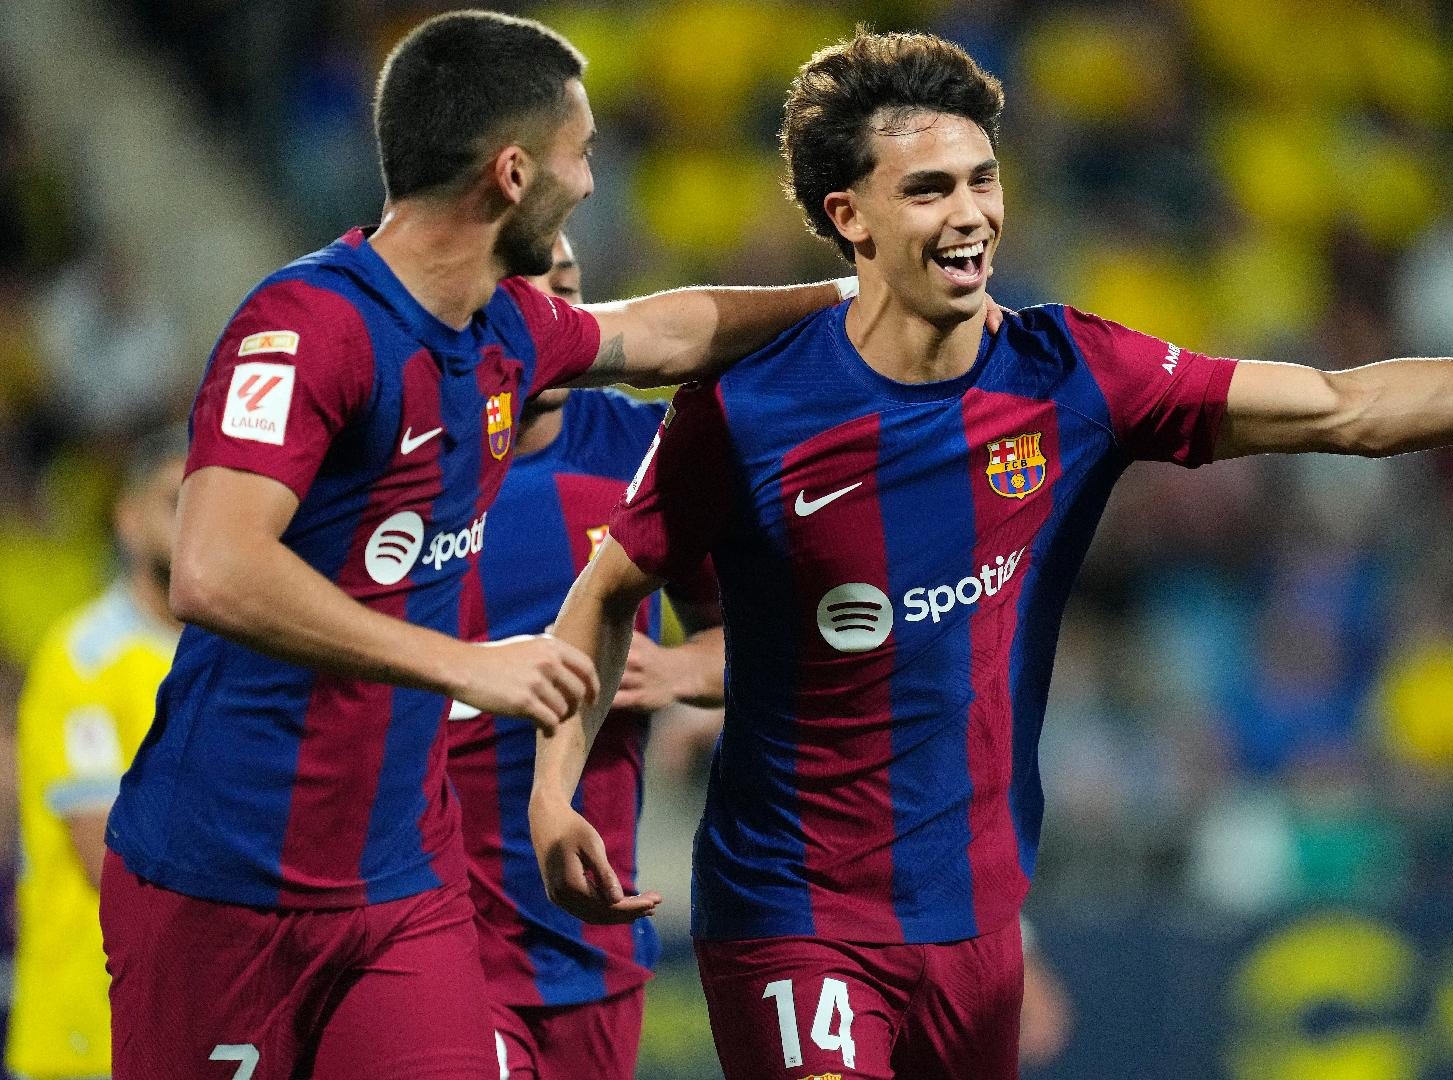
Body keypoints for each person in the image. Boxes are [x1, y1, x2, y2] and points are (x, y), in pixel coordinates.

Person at [529, 30, 1453, 1080]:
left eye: (981, 180)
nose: (970, 215)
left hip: (980, 925)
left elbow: (1347, 408)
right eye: (929, 190)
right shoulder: (748, 412)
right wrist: (554, 793)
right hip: (792, 915)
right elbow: (609, 585)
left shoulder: (1071, 375)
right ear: (847, 216)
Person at [100, 11, 848, 1077]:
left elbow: (664, 331)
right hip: (225, 877)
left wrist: (857, 296)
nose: (591, 182)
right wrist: (463, 664)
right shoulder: (310, 325)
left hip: (401, 888)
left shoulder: (504, 331)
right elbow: (215, 568)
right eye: (579, 153)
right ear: (511, 173)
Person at [448, 233, 725, 1079]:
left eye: (570, 289)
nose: (559, 315)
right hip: (438, 922)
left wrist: (679, 673)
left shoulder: (650, 452)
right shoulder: (414, 463)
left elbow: (758, 637)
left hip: (593, 935)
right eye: (532, 292)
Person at [9, 432, 183, 1080]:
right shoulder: (80, 659)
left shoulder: (228, 658)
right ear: (128, 518)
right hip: (81, 1034)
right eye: (174, 501)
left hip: (187, 1023)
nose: (194, 521)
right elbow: (105, 857)